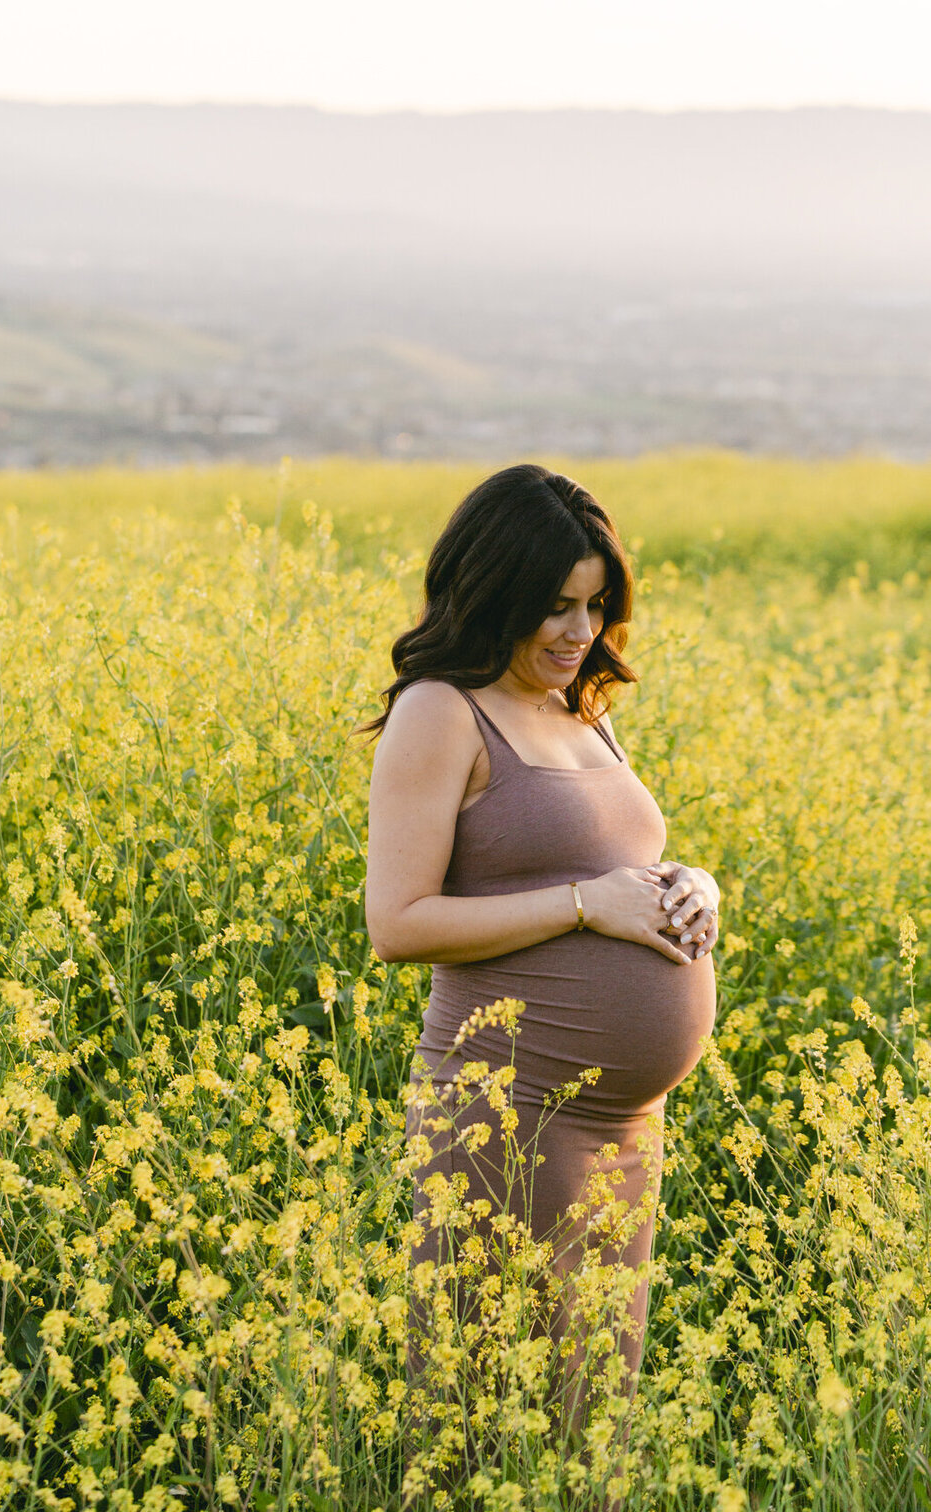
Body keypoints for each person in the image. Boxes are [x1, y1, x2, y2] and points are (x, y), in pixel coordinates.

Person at [360, 463, 719, 1497]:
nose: (579, 630)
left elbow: (618, 864)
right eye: (554, 606)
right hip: (507, 1116)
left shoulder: (582, 711)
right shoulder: (443, 713)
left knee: (590, 1433)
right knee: (479, 1429)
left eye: (595, 604)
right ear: (494, 595)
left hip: (625, 1125)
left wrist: (692, 886)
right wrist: (585, 907)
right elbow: (398, 923)